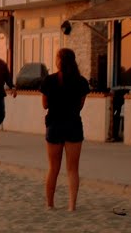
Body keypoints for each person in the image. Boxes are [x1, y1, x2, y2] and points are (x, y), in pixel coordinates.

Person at [40, 48, 90, 211]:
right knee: (73, 169)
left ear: (59, 60)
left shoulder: (50, 80)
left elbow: (45, 104)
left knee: (53, 168)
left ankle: (50, 203)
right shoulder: (81, 82)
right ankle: (72, 205)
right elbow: (81, 105)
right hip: (74, 124)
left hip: (54, 124)